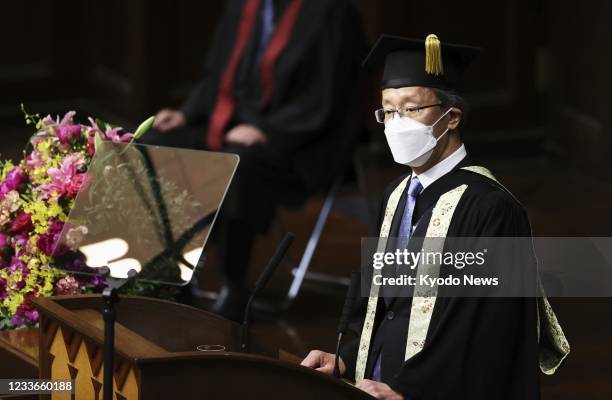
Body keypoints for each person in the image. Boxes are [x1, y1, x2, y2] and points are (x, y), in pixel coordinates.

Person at [301, 34, 570, 399]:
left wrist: (407, 388)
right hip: (375, 383)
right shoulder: (395, 195)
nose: (397, 122)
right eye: (388, 110)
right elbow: (385, 300)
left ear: (451, 117)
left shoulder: (490, 207)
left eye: (411, 108)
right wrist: (347, 357)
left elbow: (483, 325)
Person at [142, 0, 366, 320]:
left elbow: (329, 96)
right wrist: (186, 113)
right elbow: (214, 77)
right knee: (157, 144)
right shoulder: (245, 6)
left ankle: (233, 285)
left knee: (237, 163)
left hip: (299, 141)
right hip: (233, 126)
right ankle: (171, 274)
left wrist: (267, 130)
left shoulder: (332, 12)